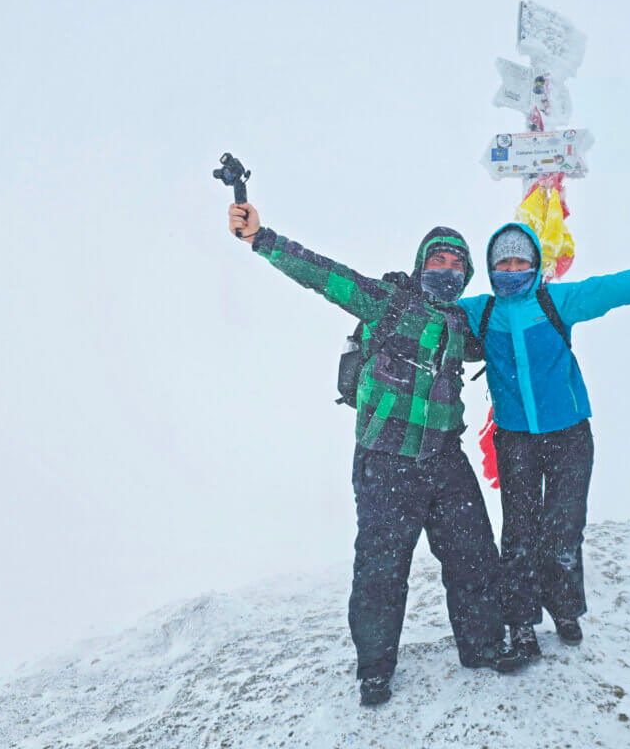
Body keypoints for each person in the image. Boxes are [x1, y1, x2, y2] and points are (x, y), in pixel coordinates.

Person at [226, 203, 529, 706]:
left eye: (458, 265)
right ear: (420, 265)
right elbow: (326, 276)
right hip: (385, 459)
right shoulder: (387, 302)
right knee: (381, 569)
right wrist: (263, 239)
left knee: (474, 555)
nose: (448, 271)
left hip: (444, 459)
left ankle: (483, 646)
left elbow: (506, 331)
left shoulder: (460, 326)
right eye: (440, 260)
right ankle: (375, 669)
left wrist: (535, 293)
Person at [458, 222, 630, 659]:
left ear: (535, 264)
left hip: (569, 435)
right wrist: (401, 295)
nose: (512, 268)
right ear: (492, 268)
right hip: (514, 441)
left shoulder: (556, 301)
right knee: (519, 534)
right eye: (504, 262)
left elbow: (618, 287)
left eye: (520, 260)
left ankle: (565, 609)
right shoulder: (481, 312)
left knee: (564, 530)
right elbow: (430, 313)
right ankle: (522, 625)